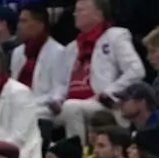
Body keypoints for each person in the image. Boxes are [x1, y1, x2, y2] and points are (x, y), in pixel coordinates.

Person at [56, 0, 146, 140]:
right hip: (71, 102)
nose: (75, 14)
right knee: (37, 113)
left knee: (70, 108)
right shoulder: (71, 48)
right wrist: (56, 99)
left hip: (103, 104)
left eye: (81, 10)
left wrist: (108, 93)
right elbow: (61, 83)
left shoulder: (115, 36)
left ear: (98, 14)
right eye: (75, 10)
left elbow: (136, 70)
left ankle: (77, 157)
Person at [9, 4, 68, 124]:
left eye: (24, 21)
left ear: (40, 24)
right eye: (19, 21)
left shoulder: (58, 52)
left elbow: (59, 89)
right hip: (19, 105)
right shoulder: (17, 52)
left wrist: (31, 103)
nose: (19, 26)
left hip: (44, 108)